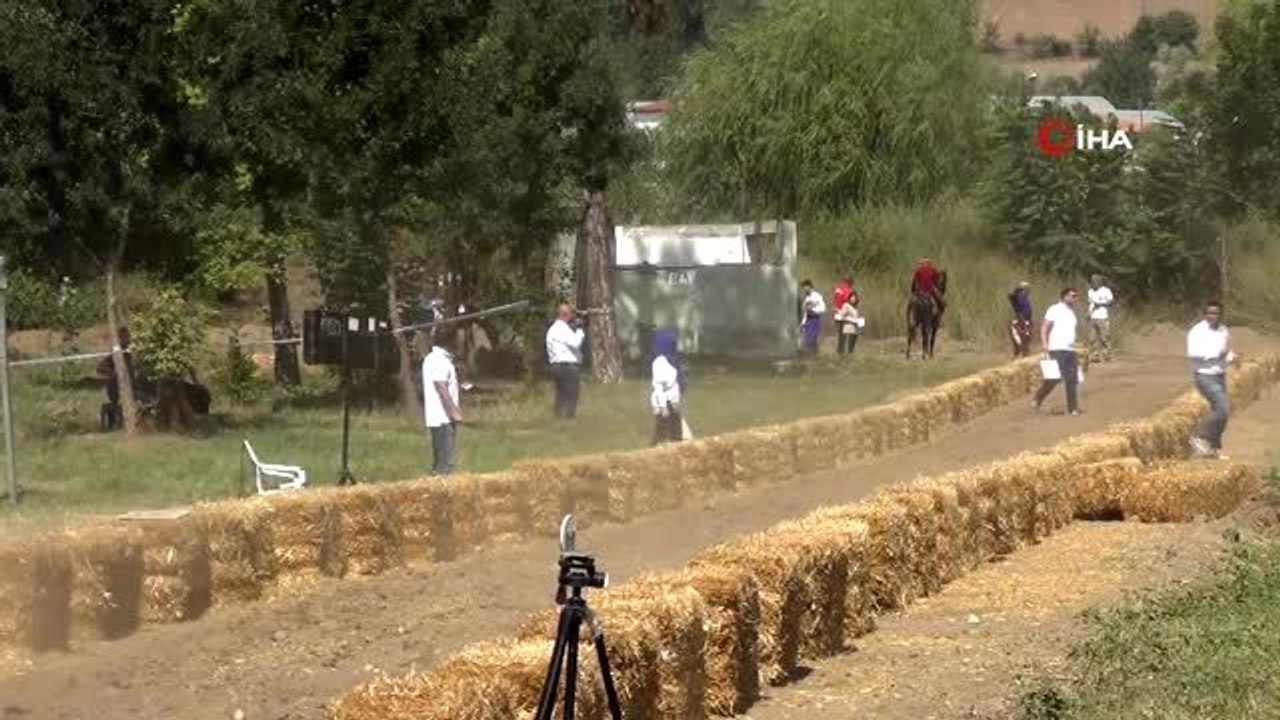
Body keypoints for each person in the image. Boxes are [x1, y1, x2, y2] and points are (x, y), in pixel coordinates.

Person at [1187, 301, 1235, 459]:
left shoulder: (1223, 330)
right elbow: (1193, 353)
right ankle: (1198, 435)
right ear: (1205, 314)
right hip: (1204, 375)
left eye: (1217, 313)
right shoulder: (1197, 331)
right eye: (1210, 313)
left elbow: (1226, 351)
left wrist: (1232, 357)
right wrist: (1216, 354)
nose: (1214, 316)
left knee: (1222, 414)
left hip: (1219, 374)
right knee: (1222, 409)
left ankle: (1214, 449)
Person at [1034, 287, 1083, 415]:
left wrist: (1075, 343)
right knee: (1055, 378)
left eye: (1076, 296)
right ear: (1064, 296)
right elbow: (1044, 327)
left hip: (1070, 349)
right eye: (1073, 296)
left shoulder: (1072, 313)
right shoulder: (1054, 309)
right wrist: (1044, 344)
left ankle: (1073, 408)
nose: (1075, 298)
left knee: (1072, 379)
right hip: (1056, 348)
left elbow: (1070, 331)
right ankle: (1038, 398)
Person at [422, 330, 462, 476]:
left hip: (438, 418)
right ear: (449, 342)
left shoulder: (432, 358)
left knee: (440, 463)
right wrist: (453, 412)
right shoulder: (440, 361)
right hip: (443, 419)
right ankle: (440, 488)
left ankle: (433, 485)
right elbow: (441, 387)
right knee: (445, 465)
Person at [546, 302, 585, 418]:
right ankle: (568, 418)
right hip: (566, 366)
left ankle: (559, 417)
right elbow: (576, 343)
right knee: (571, 394)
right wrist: (580, 329)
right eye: (572, 313)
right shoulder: (561, 329)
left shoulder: (554, 329)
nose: (573, 316)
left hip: (557, 366)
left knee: (561, 394)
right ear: (566, 314)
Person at [650, 328, 684, 445]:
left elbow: (677, 382)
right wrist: (663, 406)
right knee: (662, 429)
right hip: (664, 402)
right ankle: (655, 448)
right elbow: (659, 387)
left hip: (672, 401)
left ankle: (676, 445)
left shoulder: (672, 361)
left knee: (674, 427)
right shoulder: (661, 363)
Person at [1087, 274, 1115, 362]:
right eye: (1092, 281)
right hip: (1093, 317)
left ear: (1099, 282)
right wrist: (1088, 313)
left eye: (1095, 281)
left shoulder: (1106, 291)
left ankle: (1107, 355)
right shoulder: (1090, 291)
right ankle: (1095, 356)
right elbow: (1090, 304)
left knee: (1104, 338)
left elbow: (1111, 303)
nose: (1093, 282)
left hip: (1102, 317)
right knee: (1092, 338)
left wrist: (1100, 304)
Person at [911, 257, 946, 323]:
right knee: (942, 302)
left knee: (912, 302)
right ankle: (938, 318)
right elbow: (936, 281)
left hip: (920, 291)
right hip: (930, 290)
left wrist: (914, 291)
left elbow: (914, 283)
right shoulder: (933, 270)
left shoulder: (917, 271)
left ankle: (911, 321)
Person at [799, 280, 826, 355]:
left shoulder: (817, 296)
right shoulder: (806, 298)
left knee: (812, 339)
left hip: (814, 320)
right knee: (807, 340)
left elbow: (823, 308)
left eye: (805, 287)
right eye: (803, 288)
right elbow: (805, 312)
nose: (804, 289)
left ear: (810, 286)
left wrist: (813, 310)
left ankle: (815, 354)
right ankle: (809, 355)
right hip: (807, 321)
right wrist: (803, 323)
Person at [1008, 281, 1034, 358]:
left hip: (1027, 320)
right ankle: (1020, 353)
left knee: (1026, 338)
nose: (1027, 291)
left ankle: (1024, 353)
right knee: (1020, 338)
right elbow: (1011, 295)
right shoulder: (1017, 296)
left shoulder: (1025, 297)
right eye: (1026, 289)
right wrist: (1018, 290)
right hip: (1020, 320)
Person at [833, 291, 861, 355]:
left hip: (854, 329)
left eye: (855, 297)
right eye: (852, 297)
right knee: (847, 346)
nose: (853, 299)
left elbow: (855, 318)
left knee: (851, 347)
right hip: (847, 328)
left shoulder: (855, 307)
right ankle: (844, 357)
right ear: (849, 298)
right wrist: (837, 310)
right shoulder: (846, 305)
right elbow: (842, 315)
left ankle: (849, 357)